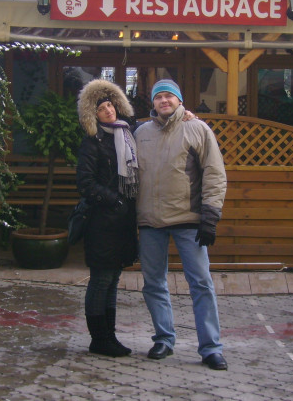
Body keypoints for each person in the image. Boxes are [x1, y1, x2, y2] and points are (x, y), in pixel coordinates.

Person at [134, 79, 229, 371]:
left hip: (189, 220)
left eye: (169, 96)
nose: (164, 100)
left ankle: (211, 347)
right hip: (150, 221)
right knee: (153, 283)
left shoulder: (197, 129)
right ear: (153, 102)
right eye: (159, 97)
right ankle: (164, 339)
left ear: (179, 100)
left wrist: (210, 216)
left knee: (201, 283)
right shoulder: (140, 133)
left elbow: (214, 173)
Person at [76, 79, 139, 357]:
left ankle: (109, 336)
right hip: (102, 222)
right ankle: (98, 339)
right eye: (101, 108)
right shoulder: (92, 142)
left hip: (122, 223)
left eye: (110, 105)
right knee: (101, 279)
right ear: (93, 115)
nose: (108, 110)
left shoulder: (127, 134)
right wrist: (114, 200)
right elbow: (85, 183)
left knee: (113, 279)